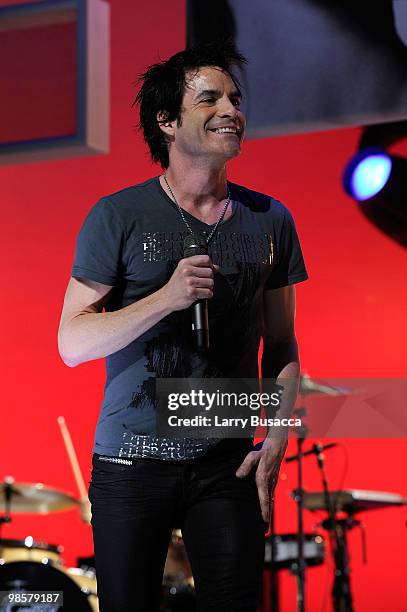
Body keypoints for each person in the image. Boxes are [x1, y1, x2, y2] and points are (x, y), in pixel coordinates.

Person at [58, 42, 308, 612]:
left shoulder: (270, 218)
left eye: (235, 99)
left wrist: (276, 436)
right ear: (167, 122)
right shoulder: (118, 215)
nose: (232, 109)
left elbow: (283, 341)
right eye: (210, 98)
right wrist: (165, 298)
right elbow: (71, 341)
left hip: (226, 461)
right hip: (130, 461)